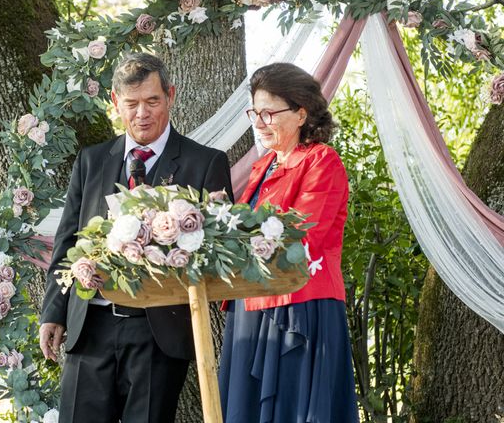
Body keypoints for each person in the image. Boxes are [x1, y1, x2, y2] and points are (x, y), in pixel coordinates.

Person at [39, 52, 233, 423]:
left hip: (158, 332)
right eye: (131, 104)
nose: (141, 113)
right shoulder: (91, 161)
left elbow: (216, 254)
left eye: (152, 101)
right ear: (115, 102)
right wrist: (54, 312)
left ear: (171, 96)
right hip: (89, 329)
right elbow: (67, 243)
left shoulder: (204, 163)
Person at [219, 62, 358, 423]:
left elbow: (305, 234)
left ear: (301, 113)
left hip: (299, 308)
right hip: (250, 306)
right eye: (255, 112)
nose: (259, 121)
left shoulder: (321, 161)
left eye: (269, 112)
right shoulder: (261, 166)